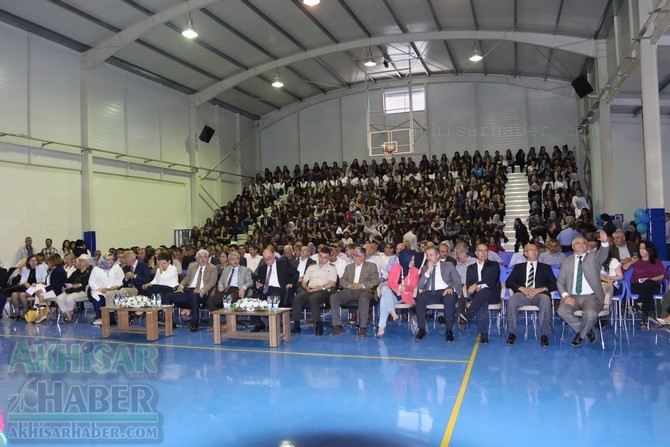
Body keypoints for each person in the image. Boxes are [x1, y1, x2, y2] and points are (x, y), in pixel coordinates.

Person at [556, 230, 610, 346]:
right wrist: (566, 296)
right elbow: (560, 282)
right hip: (573, 296)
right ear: (572, 246)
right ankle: (587, 331)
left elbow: (603, 253)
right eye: (577, 243)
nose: (581, 244)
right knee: (562, 311)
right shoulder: (566, 261)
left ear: (587, 245)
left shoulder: (594, 257)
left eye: (584, 243)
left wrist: (605, 241)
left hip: (591, 297)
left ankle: (580, 335)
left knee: (590, 314)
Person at [505, 244, 557, 347]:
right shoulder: (519, 267)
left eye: (536, 250)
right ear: (525, 253)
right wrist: (521, 288)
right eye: (531, 250)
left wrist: (541, 289)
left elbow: (553, 284)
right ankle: (512, 333)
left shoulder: (545, 267)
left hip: (539, 294)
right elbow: (509, 282)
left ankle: (544, 335)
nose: (535, 252)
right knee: (511, 301)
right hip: (522, 294)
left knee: (546, 300)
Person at [162, 249, 218, 332]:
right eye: (200, 257)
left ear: (208, 258)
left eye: (205, 257)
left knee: (195, 296)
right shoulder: (192, 266)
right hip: (189, 290)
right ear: (197, 259)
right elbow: (186, 278)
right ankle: (170, 322)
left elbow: (212, 283)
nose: (203, 259)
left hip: (202, 292)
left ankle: (194, 323)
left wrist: (202, 290)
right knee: (167, 296)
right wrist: (180, 287)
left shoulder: (212, 268)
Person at [329, 246, 379, 338]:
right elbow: (342, 280)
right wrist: (349, 285)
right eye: (353, 255)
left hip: (365, 291)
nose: (353, 257)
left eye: (356, 255)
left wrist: (361, 285)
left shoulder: (371, 266)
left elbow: (375, 281)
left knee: (363, 299)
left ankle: (362, 328)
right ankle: (337, 326)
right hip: (350, 290)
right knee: (334, 298)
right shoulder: (349, 267)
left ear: (363, 257)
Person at [414, 247, 462, 342]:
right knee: (420, 298)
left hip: (445, 291)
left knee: (449, 298)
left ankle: (449, 331)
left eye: (431, 255)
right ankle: (421, 329)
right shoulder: (425, 268)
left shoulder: (449, 265)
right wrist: (428, 271)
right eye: (427, 255)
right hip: (431, 293)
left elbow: (457, 281)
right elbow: (420, 285)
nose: (429, 257)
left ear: (438, 255)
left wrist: (450, 288)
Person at [290, 247, 338, 336]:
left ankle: (317, 324)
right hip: (310, 289)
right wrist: (306, 287)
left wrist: (321, 287)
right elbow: (304, 281)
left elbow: (333, 283)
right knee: (297, 298)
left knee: (314, 298)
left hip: (324, 291)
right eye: (321, 256)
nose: (322, 259)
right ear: (318, 256)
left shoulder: (332, 268)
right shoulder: (311, 267)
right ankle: (296, 325)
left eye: (325, 257)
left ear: (328, 258)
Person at [620, 240, 667, 327]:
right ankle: (643, 317)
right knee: (647, 291)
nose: (641, 250)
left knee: (648, 284)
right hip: (637, 286)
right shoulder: (636, 261)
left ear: (649, 250)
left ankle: (638, 305)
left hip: (653, 285)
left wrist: (649, 279)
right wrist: (631, 262)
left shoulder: (656, 262)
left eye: (644, 248)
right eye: (640, 248)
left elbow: (662, 276)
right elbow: (623, 270)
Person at [377, 249, 419, 337]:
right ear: (405, 259)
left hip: (405, 296)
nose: (413, 262)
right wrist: (397, 290)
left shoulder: (415, 271)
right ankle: (393, 312)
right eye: (411, 260)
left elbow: (414, 286)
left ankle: (381, 326)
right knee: (385, 289)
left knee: (384, 300)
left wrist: (406, 287)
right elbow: (390, 282)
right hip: (394, 293)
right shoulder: (395, 267)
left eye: (413, 260)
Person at [465, 244, 501, 344]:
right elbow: (469, 283)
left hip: (493, 294)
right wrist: (475, 288)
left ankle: (469, 313)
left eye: (485, 251)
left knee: (484, 292)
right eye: (480, 251)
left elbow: (491, 280)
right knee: (482, 300)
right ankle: (483, 333)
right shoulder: (470, 268)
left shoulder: (494, 265)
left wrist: (477, 285)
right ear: (476, 253)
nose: (483, 253)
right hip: (478, 296)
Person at [88, 253, 125, 325]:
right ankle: (99, 317)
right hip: (100, 290)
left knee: (111, 296)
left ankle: (110, 318)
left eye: (112, 259)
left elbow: (122, 279)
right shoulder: (96, 269)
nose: (111, 261)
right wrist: (100, 289)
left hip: (113, 290)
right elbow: (91, 282)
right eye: (108, 260)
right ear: (103, 260)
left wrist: (116, 286)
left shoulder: (116, 268)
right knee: (98, 297)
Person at [55, 254, 92, 323]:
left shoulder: (90, 272)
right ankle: (68, 313)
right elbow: (68, 280)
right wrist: (70, 284)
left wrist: (80, 284)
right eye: (80, 261)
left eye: (82, 261)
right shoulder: (76, 272)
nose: (80, 262)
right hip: (72, 289)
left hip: (82, 290)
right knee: (59, 298)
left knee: (69, 298)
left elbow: (90, 282)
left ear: (86, 262)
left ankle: (70, 312)